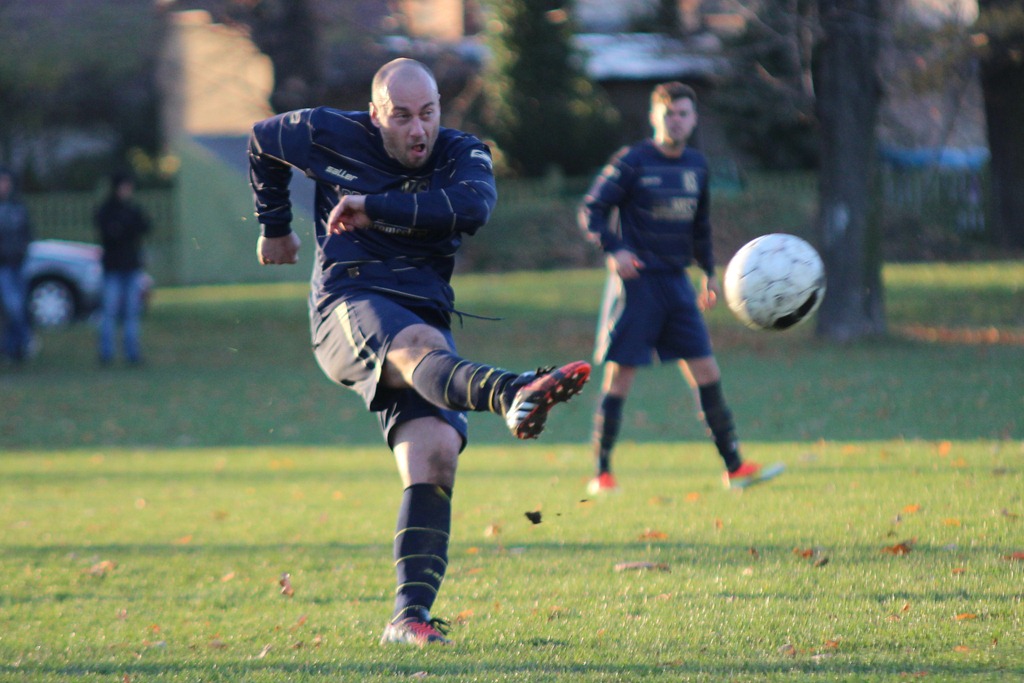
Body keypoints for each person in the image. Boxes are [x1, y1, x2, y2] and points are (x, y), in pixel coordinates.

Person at [248, 58, 590, 647]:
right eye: (402, 116)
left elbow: (471, 208)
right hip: (347, 304)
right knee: (417, 346)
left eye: (427, 114)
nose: (418, 130)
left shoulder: (462, 153)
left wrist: (370, 206)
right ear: (375, 114)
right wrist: (274, 225)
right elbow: (261, 140)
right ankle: (511, 391)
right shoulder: (328, 132)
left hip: (421, 315)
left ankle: (408, 618)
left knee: (434, 455)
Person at [578, 81, 763, 494]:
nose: (676, 121)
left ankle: (734, 467)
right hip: (637, 285)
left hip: (677, 284)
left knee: (706, 369)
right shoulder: (633, 160)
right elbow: (592, 209)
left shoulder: (696, 164)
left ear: (693, 119)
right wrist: (615, 249)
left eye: (683, 114)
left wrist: (709, 271)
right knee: (620, 378)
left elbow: (700, 224)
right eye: (668, 114)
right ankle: (602, 471)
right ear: (654, 117)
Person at [94, 171, 151, 365]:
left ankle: (132, 353)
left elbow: (144, 226)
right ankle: (106, 353)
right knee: (109, 312)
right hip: (113, 268)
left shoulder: (132, 209)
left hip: (130, 266)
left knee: (131, 313)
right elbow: (110, 233)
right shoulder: (107, 210)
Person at [0, 167, 34, 364]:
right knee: (13, 306)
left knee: (19, 306)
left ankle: (12, 347)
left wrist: (23, 250)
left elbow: (27, 233)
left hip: (18, 263)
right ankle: (24, 339)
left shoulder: (18, 208)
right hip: (3, 265)